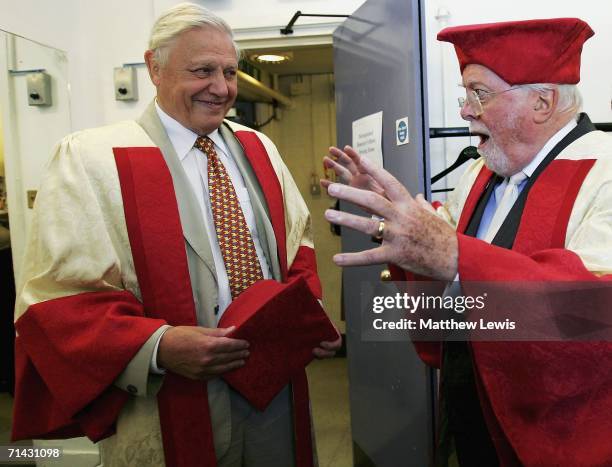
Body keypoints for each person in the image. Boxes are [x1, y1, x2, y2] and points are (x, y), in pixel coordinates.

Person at [12, 3, 340, 466]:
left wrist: (308, 317)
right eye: (202, 70)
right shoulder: (94, 159)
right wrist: (159, 347)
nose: (222, 88)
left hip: (273, 386)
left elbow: (296, 247)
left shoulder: (258, 147)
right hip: (169, 396)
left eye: (229, 71)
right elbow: (57, 296)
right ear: (154, 68)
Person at [323, 18, 612, 466]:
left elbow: (594, 313)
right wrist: (394, 215)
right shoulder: (480, 173)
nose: (465, 111)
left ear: (542, 102)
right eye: (466, 95)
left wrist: (456, 255)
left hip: (555, 435)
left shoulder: (604, 172)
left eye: (480, 94)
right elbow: (445, 258)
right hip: (470, 407)